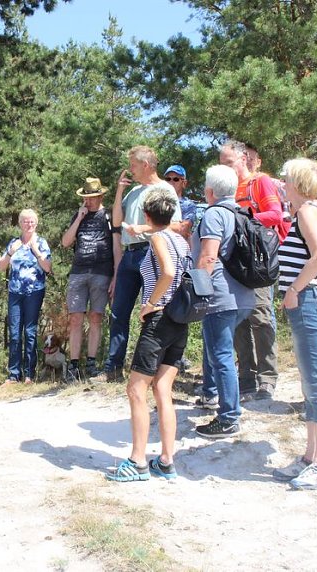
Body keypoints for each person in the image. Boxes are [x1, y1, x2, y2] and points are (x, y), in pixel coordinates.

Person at [106, 193, 190, 482]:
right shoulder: (181, 240)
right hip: (180, 320)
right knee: (163, 390)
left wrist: (150, 302)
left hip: (160, 318)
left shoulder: (158, 239)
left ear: (147, 216)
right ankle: (167, 460)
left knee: (136, 389)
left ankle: (138, 460)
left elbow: (166, 272)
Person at [272, 158, 317, 490]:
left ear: (295, 183)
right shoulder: (312, 210)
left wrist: (295, 289)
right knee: (310, 381)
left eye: (284, 180)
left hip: (308, 300)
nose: (281, 185)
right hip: (307, 302)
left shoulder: (309, 211)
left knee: (316, 382)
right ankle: (310, 457)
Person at [102, 145, 181, 382]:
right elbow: (117, 221)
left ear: (146, 165)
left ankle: (149, 368)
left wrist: (143, 229)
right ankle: (113, 368)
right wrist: (118, 191)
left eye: (134, 165)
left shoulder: (165, 189)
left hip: (152, 251)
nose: (130, 169)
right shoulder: (133, 191)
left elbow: (175, 225)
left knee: (152, 310)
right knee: (118, 312)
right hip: (129, 255)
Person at [193, 165, 255, 439]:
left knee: (221, 356)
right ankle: (211, 397)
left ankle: (229, 417)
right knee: (217, 351)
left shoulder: (214, 214)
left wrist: (196, 290)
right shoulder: (241, 212)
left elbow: (208, 257)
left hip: (220, 295)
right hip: (244, 294)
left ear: (209, 191)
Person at [220, 140, 285, 400]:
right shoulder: (228, 188)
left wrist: (244, 219)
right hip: (234, 260)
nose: (224, 168)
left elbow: (276, 215)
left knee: (260, 317)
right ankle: (246, 376)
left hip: (257, 260)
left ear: (243, 159)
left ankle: (267, 378)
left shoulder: (260, 182)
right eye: (221, 163)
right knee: (238, 319)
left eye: (228, 163)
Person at [60, 178, 119, 383]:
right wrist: (79, 219)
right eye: (86, 198)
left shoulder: (109, 216)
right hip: (78, 271)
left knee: (96, 317)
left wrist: (115, 275)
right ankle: (74, 365)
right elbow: (66, 242)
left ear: (100, 196)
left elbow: (116, 246)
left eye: (92, 198)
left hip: (102, 272)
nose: (89, 201)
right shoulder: (78, 215)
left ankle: (92, 363)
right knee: (75, 317)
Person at [0, 209, 52, 385]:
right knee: (14, 333)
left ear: (36, 223)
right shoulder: (14, 243)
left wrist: (36, 251)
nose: (29, 224)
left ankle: (29, 374)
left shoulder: (41, 243)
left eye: (32, 221)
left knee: (29, 332)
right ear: (20, 224)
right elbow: (1, 266)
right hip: (15, 292)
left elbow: (47, 267)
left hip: (34, 292)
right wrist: (10, 253)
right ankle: (14, 374)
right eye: (25, 221)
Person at [164, 165, 198, 240]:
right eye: (168, 179)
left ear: (184, 183)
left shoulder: (188, 205)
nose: (171, 182)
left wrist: (155, 227)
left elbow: (183, 229)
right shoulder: (158, 202)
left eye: (176, 179)